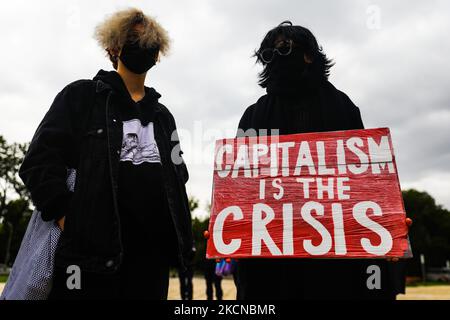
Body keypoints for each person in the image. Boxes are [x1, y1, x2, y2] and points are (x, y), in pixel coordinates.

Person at [18, 8, 193, 299]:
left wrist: (184, 234)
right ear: (113, 47)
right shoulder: (81, 96)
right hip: (87, 260)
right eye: (132, 39)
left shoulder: (164, 117)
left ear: (158, 53)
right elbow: (39, 160)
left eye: (150, 41)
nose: (143, 46)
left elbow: (179, 175)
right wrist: (66, 217)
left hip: (152, 262)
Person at [235, 21, 407, 300]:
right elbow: (240, 185)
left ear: (308, 54)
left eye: (283, 49)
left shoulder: (343, 107)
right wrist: (228, 225)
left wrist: (389, 224)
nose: (276, 58)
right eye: (268, 54)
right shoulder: (254, 115)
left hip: (334, 262)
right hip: (273, 261)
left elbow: (367, 181)